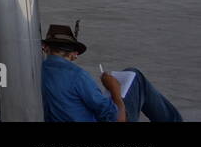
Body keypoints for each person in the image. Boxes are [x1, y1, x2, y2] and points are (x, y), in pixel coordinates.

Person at [39, 22, 181, 122]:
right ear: (74, 54)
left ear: (45, 48)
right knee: (135, 76)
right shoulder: (77, 76)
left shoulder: (41, 70)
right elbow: (117, 118)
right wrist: (115, 90)